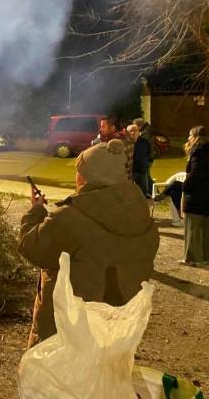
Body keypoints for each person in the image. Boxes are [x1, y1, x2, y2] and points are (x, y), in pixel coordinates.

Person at [19, 139, 159, 347]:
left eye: (79, 172)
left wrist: (36, 211)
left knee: (63, 376)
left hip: (70, 324)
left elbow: (32, 248)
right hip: (116, 319)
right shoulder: (139, 213)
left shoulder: (71, 217)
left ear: (89, 178)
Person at [182, 125, 209, 265]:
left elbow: (195, 172)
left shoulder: (197, 152)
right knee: (205, 228)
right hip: (206, 195)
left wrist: (185, 186)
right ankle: (205, 257)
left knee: (192, 228)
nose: (188, 138)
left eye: (190, 135)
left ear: (196, 137)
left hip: (196, 195)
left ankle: (192, 258)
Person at [128, 124, 153, 198]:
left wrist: (147, 165)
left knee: (143, 191)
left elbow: (151, 155)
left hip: (141, 171)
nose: (133, 133)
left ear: (139, 132)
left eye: (135, 130)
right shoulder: (125, 143)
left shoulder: (145, 142)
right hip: (128, 172)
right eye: (130, 131)